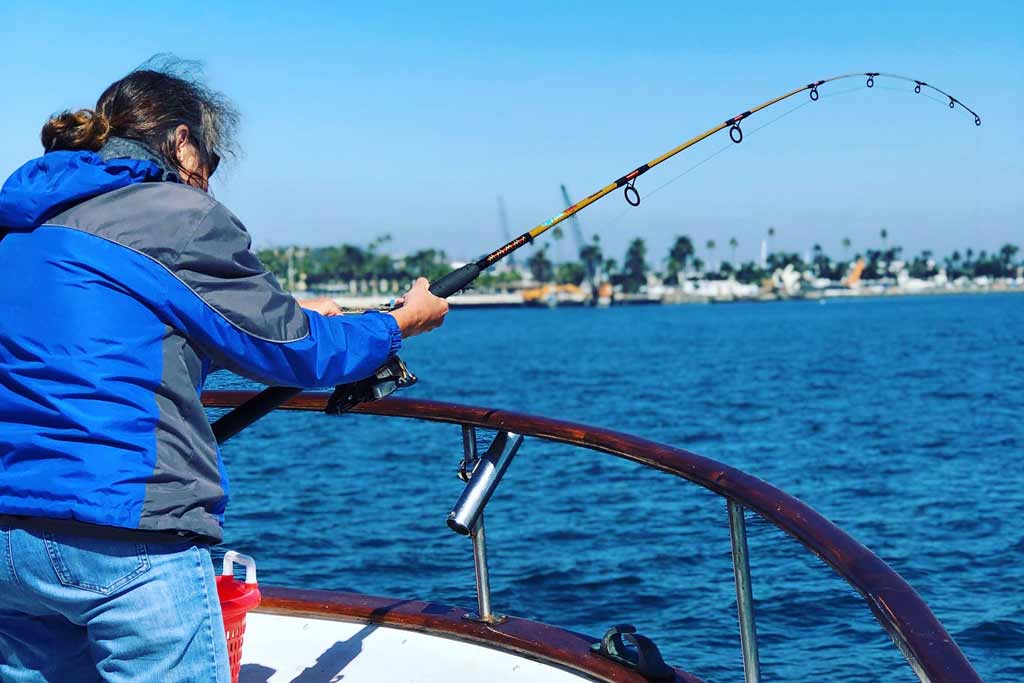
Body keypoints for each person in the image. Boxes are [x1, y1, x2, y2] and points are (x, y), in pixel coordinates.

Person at [0, 57, 448, 682]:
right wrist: (398, 323)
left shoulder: (23, 221)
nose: (207, 183)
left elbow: (108, 341)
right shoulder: (171, 211)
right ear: (182, 141)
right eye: (210, 166)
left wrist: (290, 315)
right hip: (128, 532)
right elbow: (296, 351)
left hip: (11, 539)